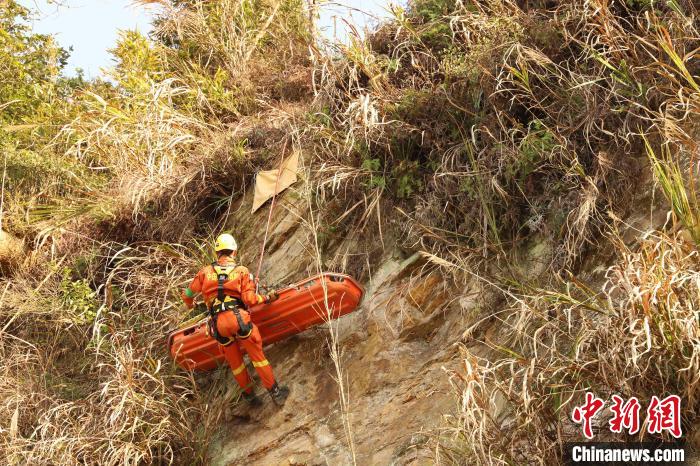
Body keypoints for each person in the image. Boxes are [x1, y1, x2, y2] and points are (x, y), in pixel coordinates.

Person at [181, 233, 290, 406]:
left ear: (217, 253)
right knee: (258, 357)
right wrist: (266, 298)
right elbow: (249, 300)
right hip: (238, 319)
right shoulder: (241, 271)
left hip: (218, 326)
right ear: (234, 252)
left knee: (236, 364)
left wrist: (191, 305)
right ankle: (276, 394)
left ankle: (250, 398)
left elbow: (187, 294)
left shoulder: (204, 273)